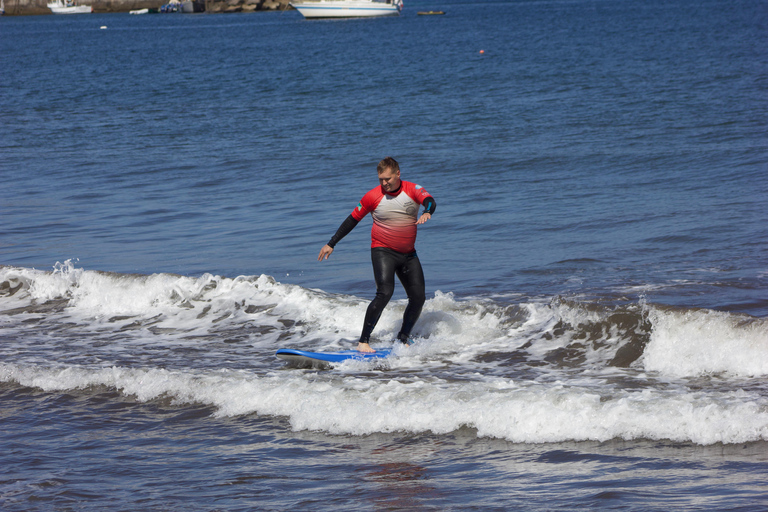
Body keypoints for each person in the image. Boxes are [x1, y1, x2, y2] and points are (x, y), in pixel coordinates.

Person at [318, 157, 437, 353]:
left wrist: (427, 212)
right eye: (381, 179)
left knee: (418, 297)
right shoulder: (372, 196)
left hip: (408, 253)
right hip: (383, 251)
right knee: (385, 293)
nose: (384, 183)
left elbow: (430, 201)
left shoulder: (412, 189)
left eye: (388, 179)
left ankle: (402, 338)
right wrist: (332, 243)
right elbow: (352, 219)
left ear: (398, 174)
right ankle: (363, 342)